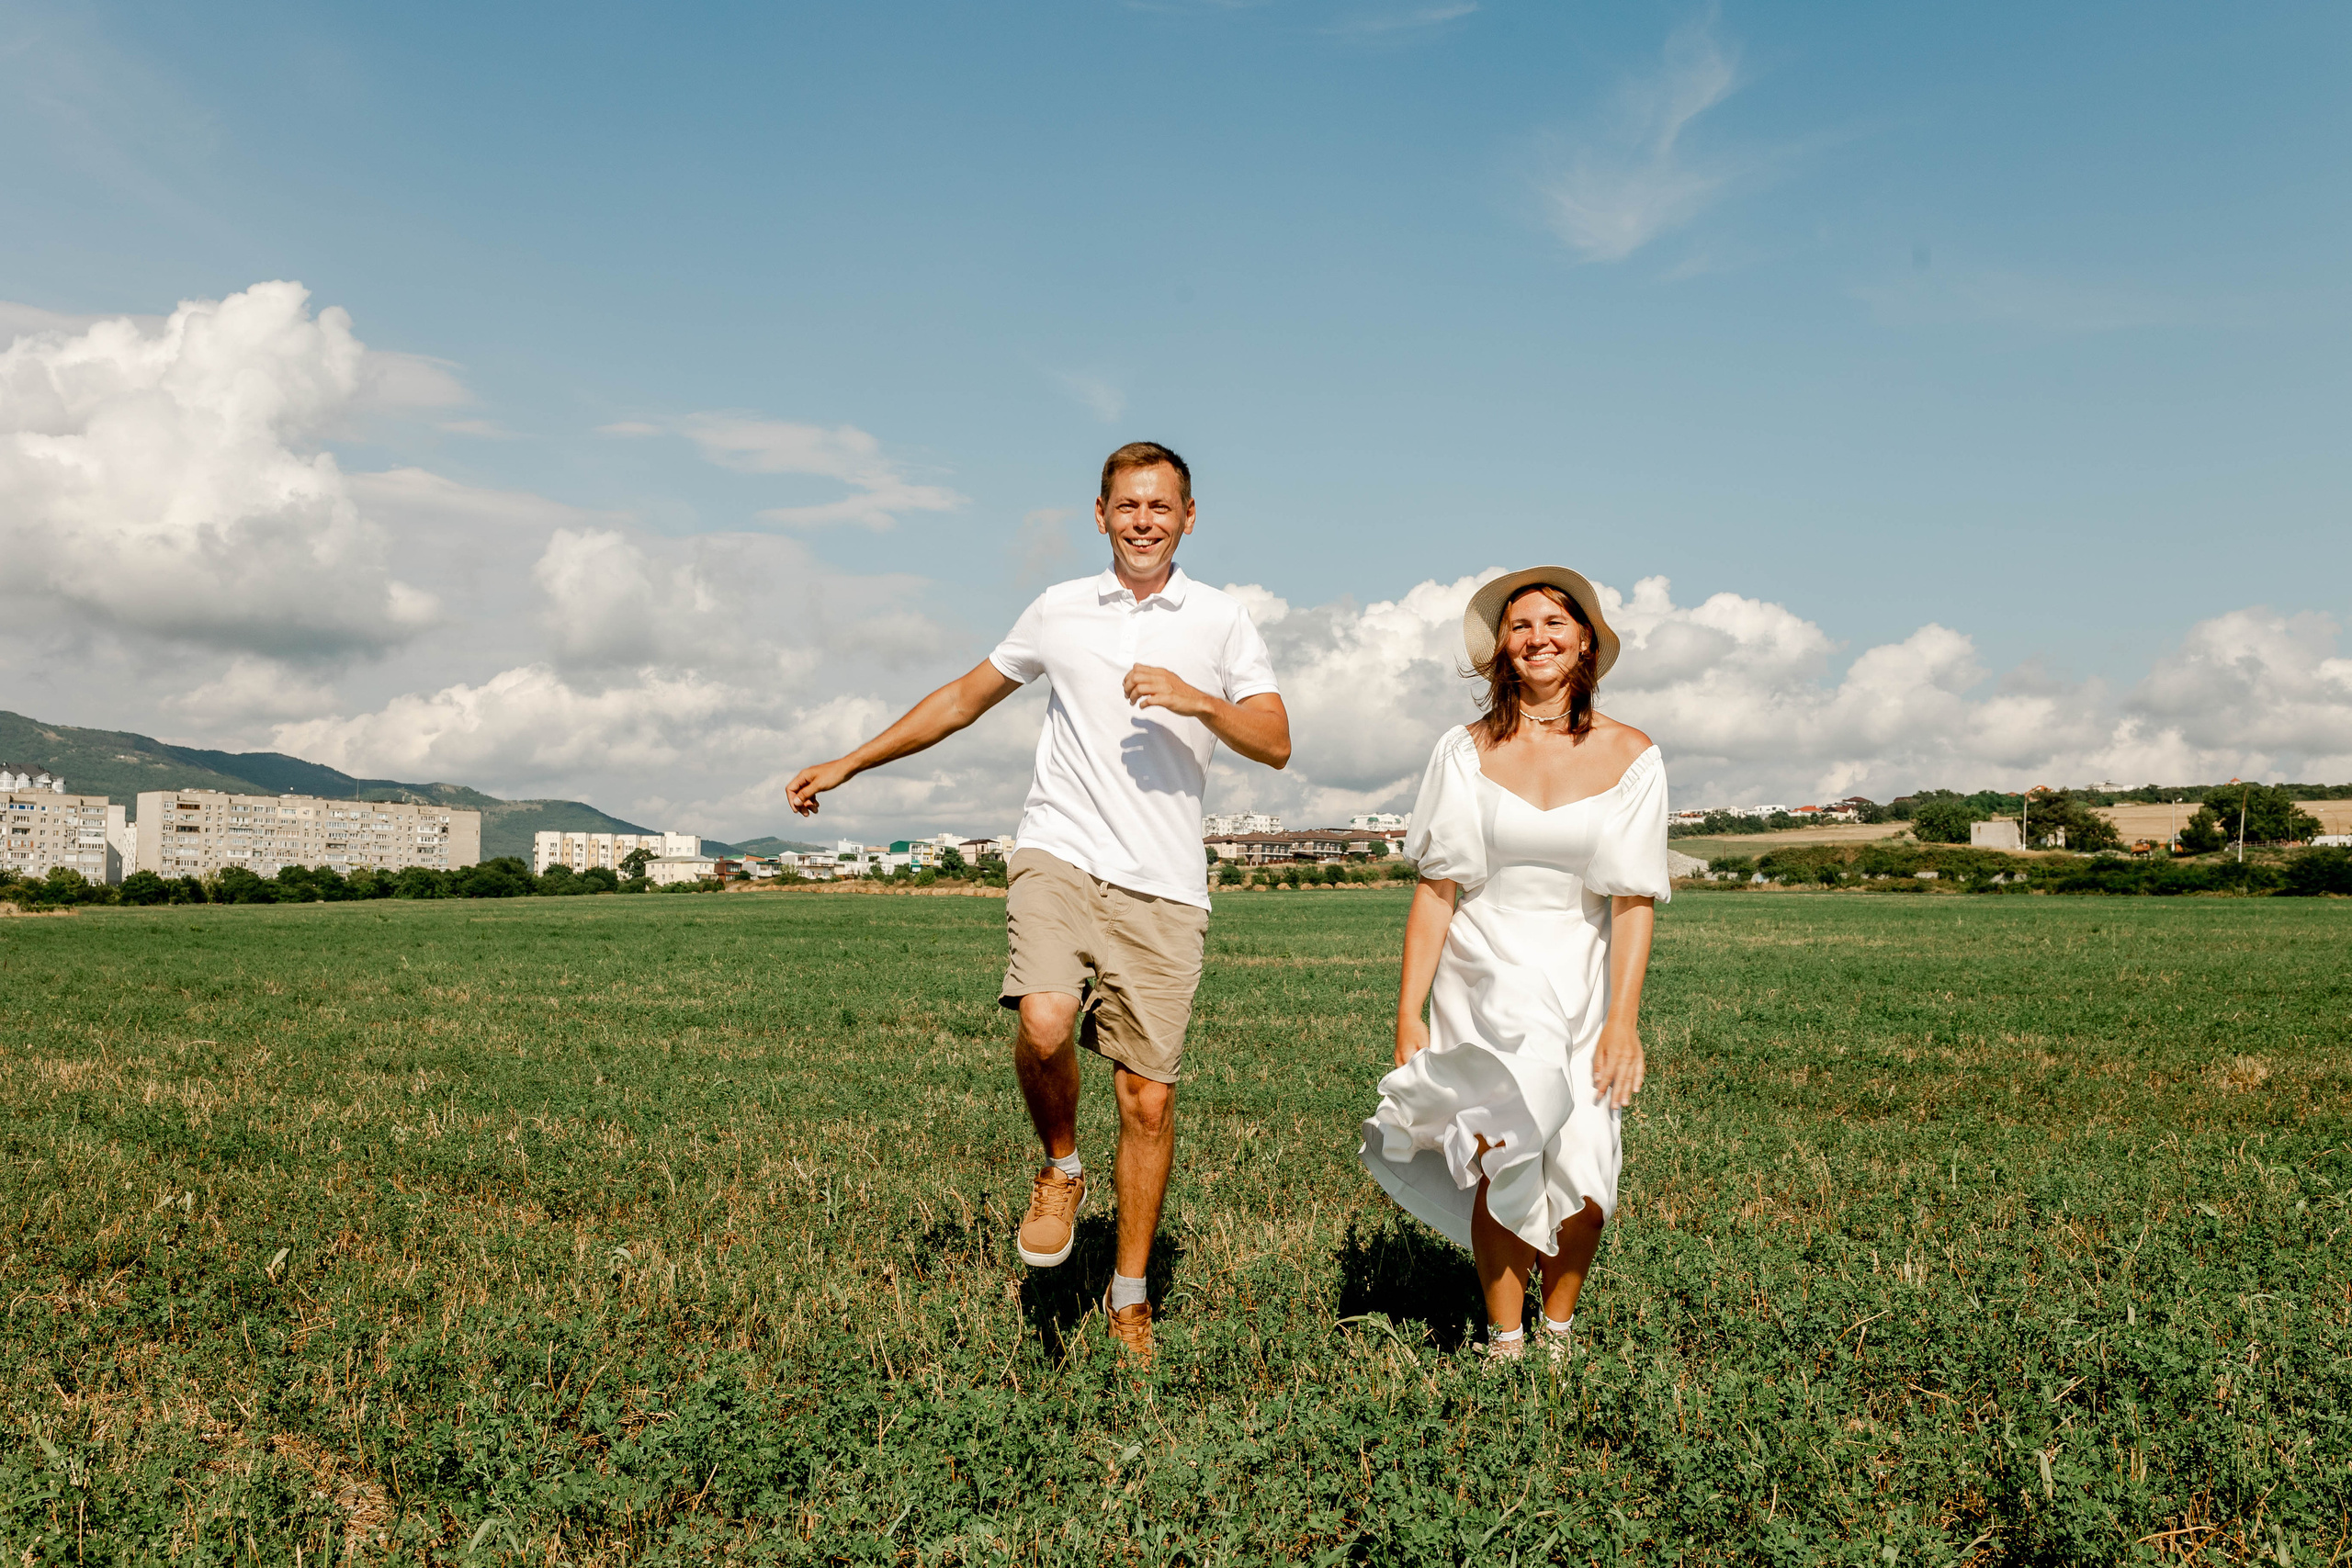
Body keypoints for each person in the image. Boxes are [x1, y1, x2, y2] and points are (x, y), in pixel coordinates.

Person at [786, 441, 1291, 1363]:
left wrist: (1197, 700)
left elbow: (1275, 740)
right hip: (1059, 851)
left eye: (1161, 507)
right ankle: (1060, 1165)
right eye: (1126, 505)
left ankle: (1129, 1297)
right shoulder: (1058, 609)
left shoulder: (1221, 620)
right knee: (1046, 1020)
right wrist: (851, 759)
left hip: (1164, 884)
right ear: (1099, 514)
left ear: (1188, 518)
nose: (1143, 521)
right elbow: (963, 699)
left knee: (1145, 1102)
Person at [1358, 565, 1669, 1362]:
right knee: (1508, 1156)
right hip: (1486, 973)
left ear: (1586, 643)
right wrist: (1408, 1011)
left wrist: (1622, 1022)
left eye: (1555, 624)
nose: (1537, 637)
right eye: (1520, 625)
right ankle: (1505, 1343)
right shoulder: (1461, 754)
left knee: (1589, 1175)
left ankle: (1556, 1330)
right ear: (1501, 647)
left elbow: (1634, 901)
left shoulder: (1634, 756)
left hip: (1583, 975)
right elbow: (1436, 892)